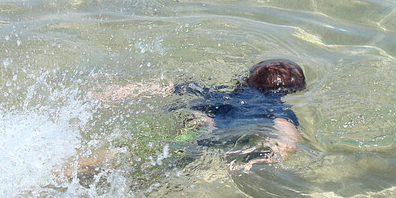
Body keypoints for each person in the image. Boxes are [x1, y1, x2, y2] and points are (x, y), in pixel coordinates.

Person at [82, 59, 307, 176]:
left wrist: (115, 93)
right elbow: (288, 137)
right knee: (158, 158)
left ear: (246, 80)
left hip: (200, 115)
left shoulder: (215, 91)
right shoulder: (277, 110)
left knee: (134, 151)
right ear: (293, 92)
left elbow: (169, 86)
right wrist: (269, 157)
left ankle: (79, 165)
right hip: (223, 129)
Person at [172, 59, 307, 169]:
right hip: (238, 134)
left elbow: (184, 87)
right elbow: (284, 126)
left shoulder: (221, 94)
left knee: (202, 120)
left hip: (215, 112)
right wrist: (284, 145)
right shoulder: (276, 108)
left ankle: (195, 126)